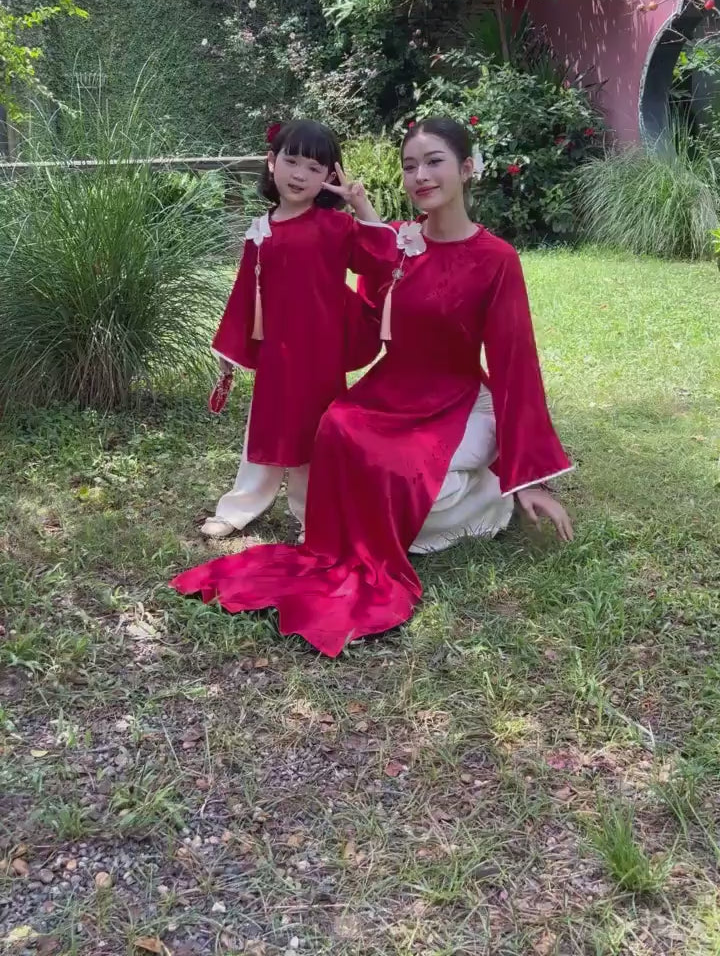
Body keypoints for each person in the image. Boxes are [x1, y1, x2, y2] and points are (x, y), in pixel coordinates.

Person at [171, 117, 573, 656]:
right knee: (336, 428)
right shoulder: (399, 244)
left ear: (467, 168)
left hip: (459, 400)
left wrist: (530, 477)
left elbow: (515, 363)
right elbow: (362, 322)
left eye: (435, 162)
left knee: (410, 484)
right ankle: (434, 501)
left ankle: (491, 496)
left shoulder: (497, 259)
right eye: (410, 166)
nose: (421, 176)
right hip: (393, 391)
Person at [199, 119, 397, 541]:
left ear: (328, 178)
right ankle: (240, 506)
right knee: (266, 427)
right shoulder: (260, 231)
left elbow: (382, 258)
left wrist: (361, 206)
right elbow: (243, 293)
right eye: (291, 161)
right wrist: (231, 349)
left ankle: (314, 514)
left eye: (313, 167)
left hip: (321, 350)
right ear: (272, 163)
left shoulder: (337, 228)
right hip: (277, 350)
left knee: (318, 432)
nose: (300, 175)